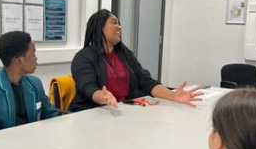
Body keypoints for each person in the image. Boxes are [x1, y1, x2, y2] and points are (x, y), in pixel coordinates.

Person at [69, 9, 202, 112]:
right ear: (100, 27)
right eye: (114, 23)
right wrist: (104, 97)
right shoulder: (83, 57)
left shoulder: (124, 53)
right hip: (91, 113)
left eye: (119, 24)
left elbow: (145, 80)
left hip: (123, 111)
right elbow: (88, 88)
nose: (119, 27)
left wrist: (172, 96)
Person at [0, 31, 59, 136]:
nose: (36, 58)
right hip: (2, 147)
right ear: (19, 60)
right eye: (33, 54)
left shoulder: (34, 83)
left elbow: (51, 115)